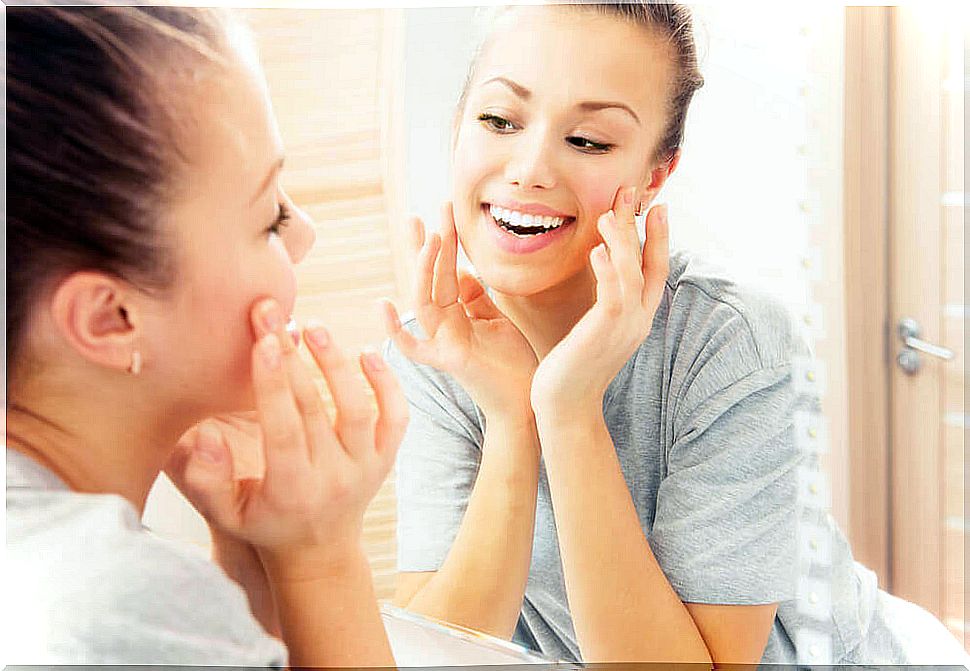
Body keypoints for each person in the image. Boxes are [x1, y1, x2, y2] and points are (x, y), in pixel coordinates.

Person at [381, 2, 970, 666]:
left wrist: (569, 411)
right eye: (498, 119)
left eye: (589, 141)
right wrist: (511, 417)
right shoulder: (437, 350)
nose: (529, 168)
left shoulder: (730, 346)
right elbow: (439, 650)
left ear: (654, 177)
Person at [5, 6, 406, 666]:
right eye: (271, 216)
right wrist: (322, 554)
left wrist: (254, 548)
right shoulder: (116, 603)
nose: (305, 236)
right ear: (113, 317)